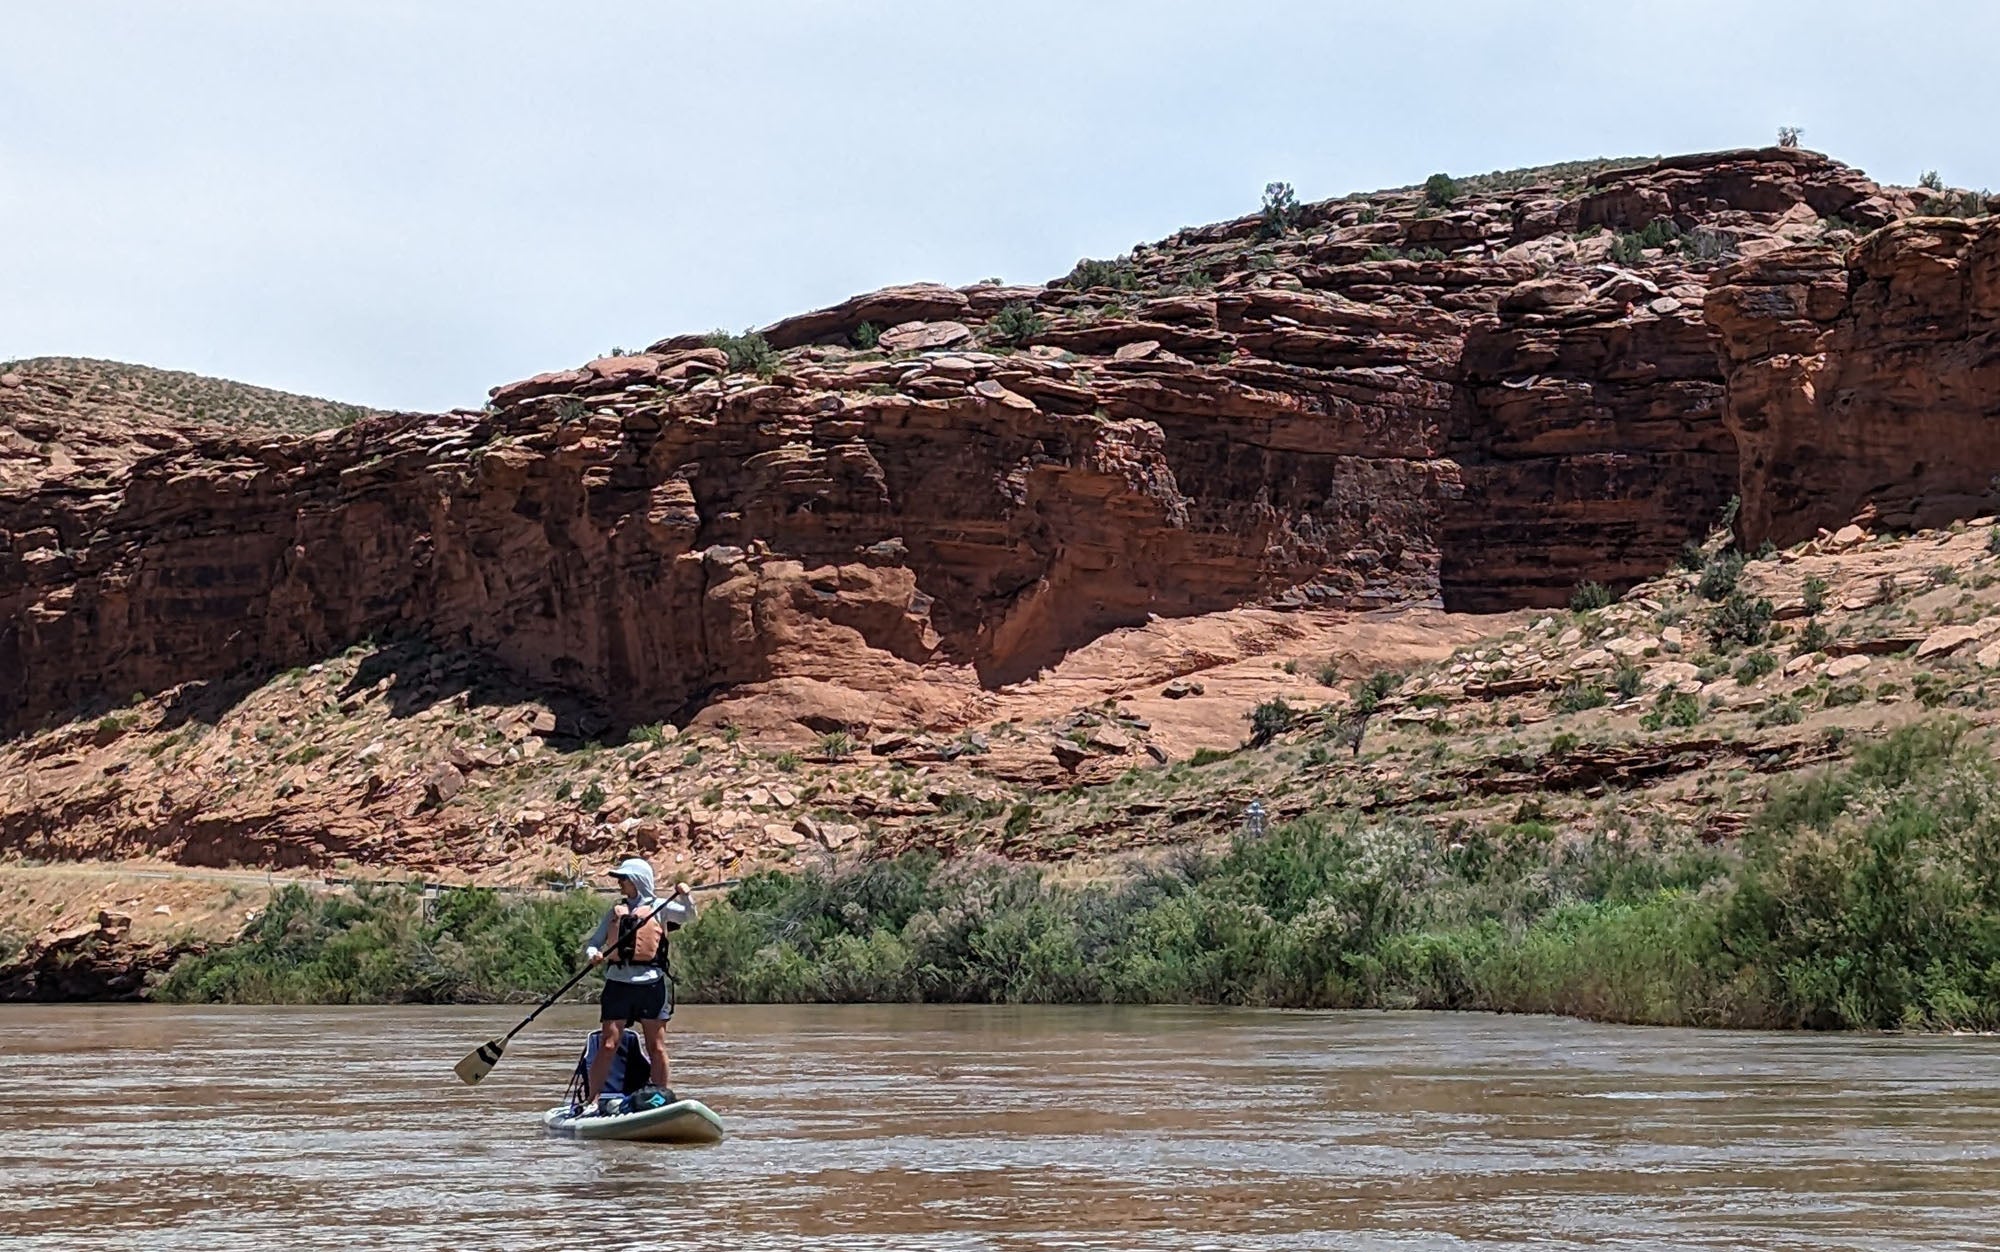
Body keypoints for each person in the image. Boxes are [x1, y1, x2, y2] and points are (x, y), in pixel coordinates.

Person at [581, 857, 694, 1111]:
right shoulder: (616, 911)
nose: (619, 883)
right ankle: (592, 1101)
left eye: (624, 879)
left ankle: (661, 1099)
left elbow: (689, 916)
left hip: (651, 985)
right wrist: (593, 955)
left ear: (637, 881)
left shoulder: (661, 907)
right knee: (608, 1044)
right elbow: (594, 943)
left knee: (656, 1046)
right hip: (618, 984)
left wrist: (686, 896)